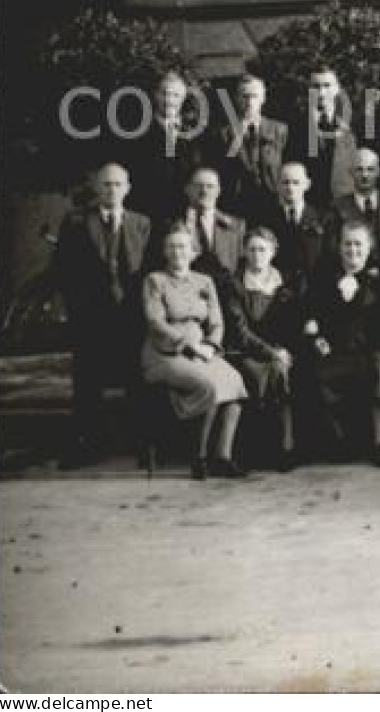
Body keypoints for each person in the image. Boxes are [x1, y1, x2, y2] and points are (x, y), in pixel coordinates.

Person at [54, 162, 152, 467]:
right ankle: (87, 445)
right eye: (106, 184)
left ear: (128, 188)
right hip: (91, 315)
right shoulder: (76, 222)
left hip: (130, 314)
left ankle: (139, 443)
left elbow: (147, 270)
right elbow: (64, 270)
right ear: (97, 187)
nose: (112, 190)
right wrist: (74, 309)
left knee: (135, 378)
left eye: (118, 184)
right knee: (88, 380)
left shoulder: (141, 223)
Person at [140, 224, 248, 479]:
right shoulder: (155, 281)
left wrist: (210, 345)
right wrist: (190, 347)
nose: (178, 252)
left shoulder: (204, 281)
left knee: (235, 382)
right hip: (165, 353)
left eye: (183, 247)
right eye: (172, 247)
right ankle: (198, 458)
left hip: (202, 351)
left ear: (193, 251)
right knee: (209, 387)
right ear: (165, 251)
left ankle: (223, 456)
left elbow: (217, 321)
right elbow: (155, 322)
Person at [300, 221, 380, 465]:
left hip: (369, 351)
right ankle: (340, 441)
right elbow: (310, 313)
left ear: (369, 248)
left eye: (358, 244)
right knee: (317, 373)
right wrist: (317, 337)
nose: (352, 250)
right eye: (347, 244)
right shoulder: (323, 278)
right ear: (338, 246)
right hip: (335, 351)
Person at [223, 228, 299, 469]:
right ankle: (255, 451)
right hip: (247, 350)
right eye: (252, 250)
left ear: (273, 252)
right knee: (255, 373)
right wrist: (271, 352)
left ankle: (285, 447)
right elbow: (240, 330)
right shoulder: (235, 283)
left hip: (280, 348)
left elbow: (292, 322)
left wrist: (283, 350)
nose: (257, 255)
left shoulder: (284, 281)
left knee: (282, 371)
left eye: (262, 250)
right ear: (244, 252)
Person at [123, 71, 201, 225]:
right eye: (164, 94)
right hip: (147, 215)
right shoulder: (136, 135)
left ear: (183, 98)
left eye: (175, 95)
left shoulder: (195, 136)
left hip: (185, 217)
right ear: (155, 95)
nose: (169, 100)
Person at [209, 73, 288, 224]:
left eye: (254, 96)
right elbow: (217, 172)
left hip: (273, 207)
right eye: (245, 96)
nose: (250, 102)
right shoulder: (222, 135)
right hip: (235, 209)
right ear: (237, 99)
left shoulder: (280, 131)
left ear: (263, 98)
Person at [295, 66, 358, 207]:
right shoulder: (294, 127)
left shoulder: (352, 126)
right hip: (309, 205)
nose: (322, 92)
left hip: (346, 204)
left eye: (327, 86)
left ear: (337, 89)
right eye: (316, 86)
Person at [267, 161, 330, 291]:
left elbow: (330, 256)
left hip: (315, 288)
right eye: (285, 182)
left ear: (307, 185)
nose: (290, 188)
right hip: (278, 289)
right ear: (277, 185)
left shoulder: (324, 218)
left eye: (296, 183)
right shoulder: (267, 219)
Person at [331, 148, 380, 263]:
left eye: (370, 169)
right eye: (359, 169)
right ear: (351, 172)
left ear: (379, 172)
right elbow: (334, 248)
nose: (365, 175)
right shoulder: (337, 207)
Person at [179, 167, 245, 278]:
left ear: (218, 191)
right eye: (198, 185)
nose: (204, 191)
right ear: (187, 189)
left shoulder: (236, 226)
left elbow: (241, 266)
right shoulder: (170, 225)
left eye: (210, 186)